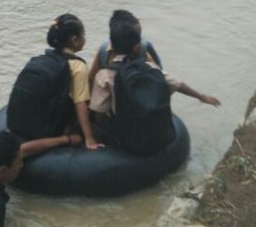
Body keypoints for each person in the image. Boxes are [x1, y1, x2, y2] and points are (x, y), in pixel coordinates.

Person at [89, 21, 220, 155]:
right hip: (156, 131)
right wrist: (201, 97)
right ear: (137, 47)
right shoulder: (151, 68)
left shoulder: (104, 76)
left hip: (125, 135)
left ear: (111, 47)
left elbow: (99, 112)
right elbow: (177, 83)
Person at [7, 13, 103, 151]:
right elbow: (80, 103)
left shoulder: (43, 59)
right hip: (45, 130)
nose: (85, 38)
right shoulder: (78, 66)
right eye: (84, 34)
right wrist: (89, 137)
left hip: (19, 124)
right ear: (75, 40)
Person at [88, 10, 162, 90]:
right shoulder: (104, 51)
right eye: (135, 36)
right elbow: (91, 79)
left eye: (139, 37)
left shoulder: (144, 51)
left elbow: (159, 80)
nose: (139, 41)